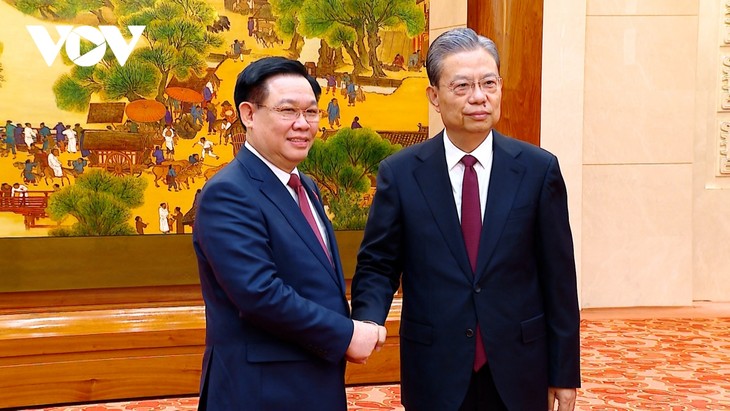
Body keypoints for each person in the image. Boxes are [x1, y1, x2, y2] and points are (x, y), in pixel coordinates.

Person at [350, 28, 581, 411]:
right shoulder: (402, 173)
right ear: (434, 96)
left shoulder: (538, 169)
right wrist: (368, 320)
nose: (479, 97)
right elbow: (379, 264)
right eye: (462, 86)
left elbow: (559, 277)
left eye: (489, 83)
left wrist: (564, 370)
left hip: (520, 366)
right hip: (435, 366)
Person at [192, 56, 385, 411]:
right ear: (248, 114)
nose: (302, 124)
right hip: (260, 392)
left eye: (311, 112)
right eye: (287, 111)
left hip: (313, 380)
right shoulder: (228, 192)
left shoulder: (305, 185)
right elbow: (259, 293)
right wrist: (346, 335)